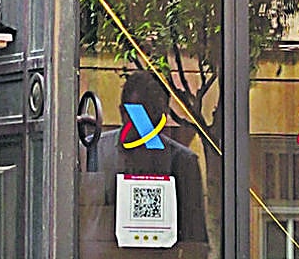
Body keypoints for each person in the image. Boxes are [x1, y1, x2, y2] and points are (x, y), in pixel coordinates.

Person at [79, 71, 209, 259]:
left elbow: (196, 242)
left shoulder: (183, 162)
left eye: (155, 114)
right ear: (123, 112)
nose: (147, 126)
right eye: (140, 115)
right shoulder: (92, 152)